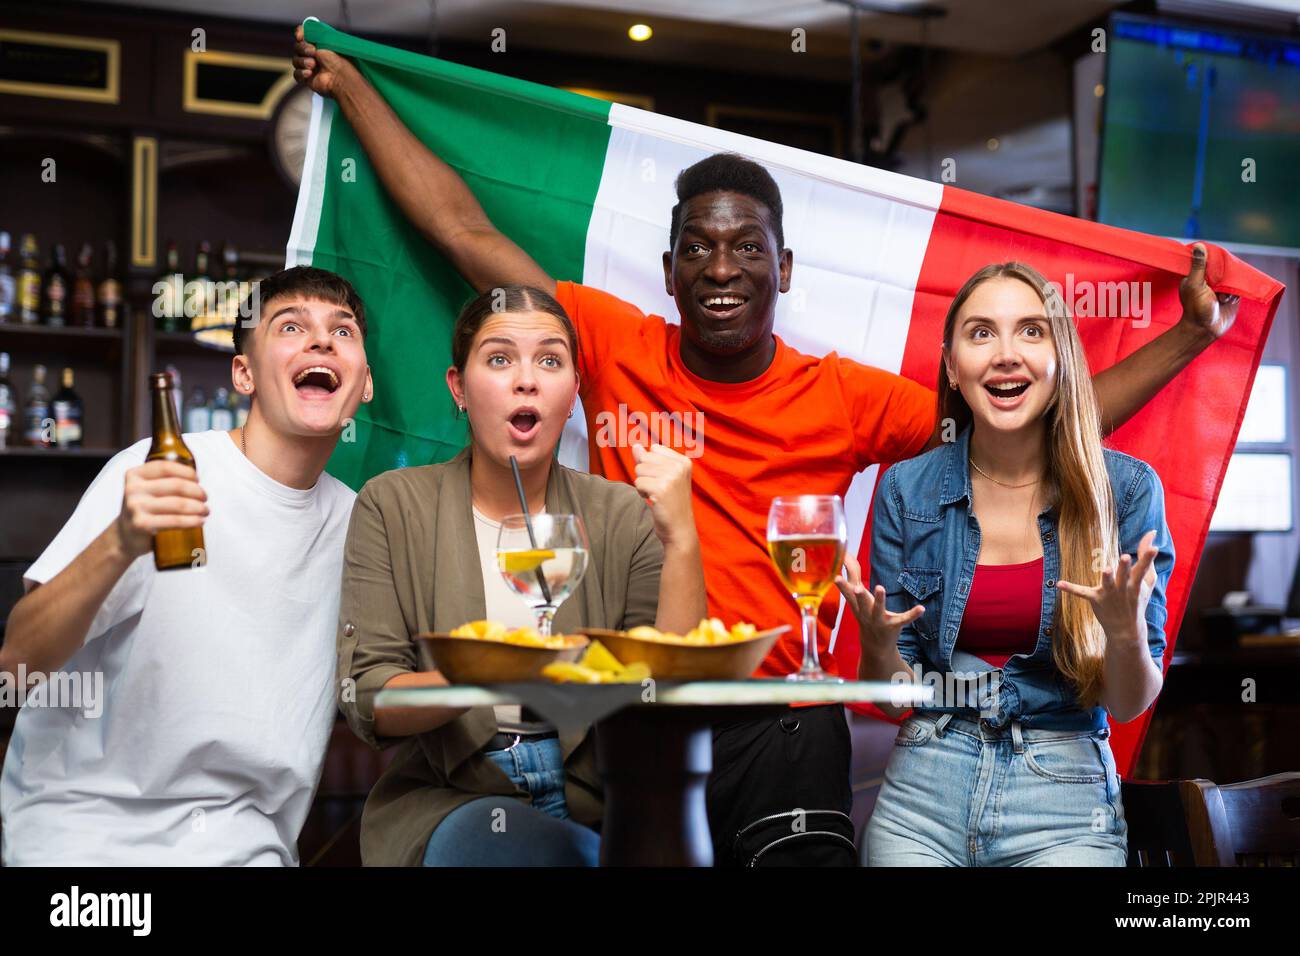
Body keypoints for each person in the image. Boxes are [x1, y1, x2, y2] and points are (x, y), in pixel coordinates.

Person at [292, 26, 1239, 864]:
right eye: (699, 247)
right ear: (667, 270)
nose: (722, 266)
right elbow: (461, 229)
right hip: (648, 721)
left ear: (782, 268)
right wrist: (354, 87)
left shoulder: (841, 394)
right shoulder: (610, 342)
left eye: (748, 247)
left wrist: (1191, 335)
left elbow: (1034, 417)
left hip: (785, 718)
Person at [0, 266, 372, 865]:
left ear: (366, 383)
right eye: (291, 326)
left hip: (247, 847)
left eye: (342, 330)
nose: (322, 340)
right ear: (243, 374)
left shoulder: (362, 527)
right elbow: (16, 666)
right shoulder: (153, 474)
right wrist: (121, 540)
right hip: (87, 835)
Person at [336, 285, 704, 866]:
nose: (526, 380)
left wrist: (682, 540)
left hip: (598, 799)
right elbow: (372, 698)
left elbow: (666, 698)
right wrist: (499, 675)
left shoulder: (619, 512)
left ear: (574, 392)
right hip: (453, 802)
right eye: (500, 358)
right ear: (459, 387)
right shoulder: (392, 505)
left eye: (551, 361)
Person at [838, 262, 1172, 865]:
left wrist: (1124, 634)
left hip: (1064, 800)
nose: (1006, 354)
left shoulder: (1124, 490)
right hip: (924, 793)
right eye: (981, 333)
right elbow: (893, 698)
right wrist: (879, 645)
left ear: (1060, 356)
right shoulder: (905, 491)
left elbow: (1126, 703)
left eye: (1031, 331)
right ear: (952, 365)